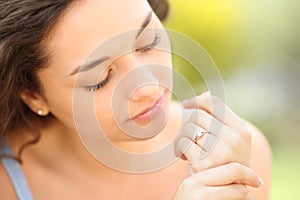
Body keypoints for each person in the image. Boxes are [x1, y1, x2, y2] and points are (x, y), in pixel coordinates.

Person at [0, 0, 271, 199]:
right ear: (33, 95)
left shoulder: (236, 155)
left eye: (149, 41)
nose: (149, 86)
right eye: (101, 78)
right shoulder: (7, 182)